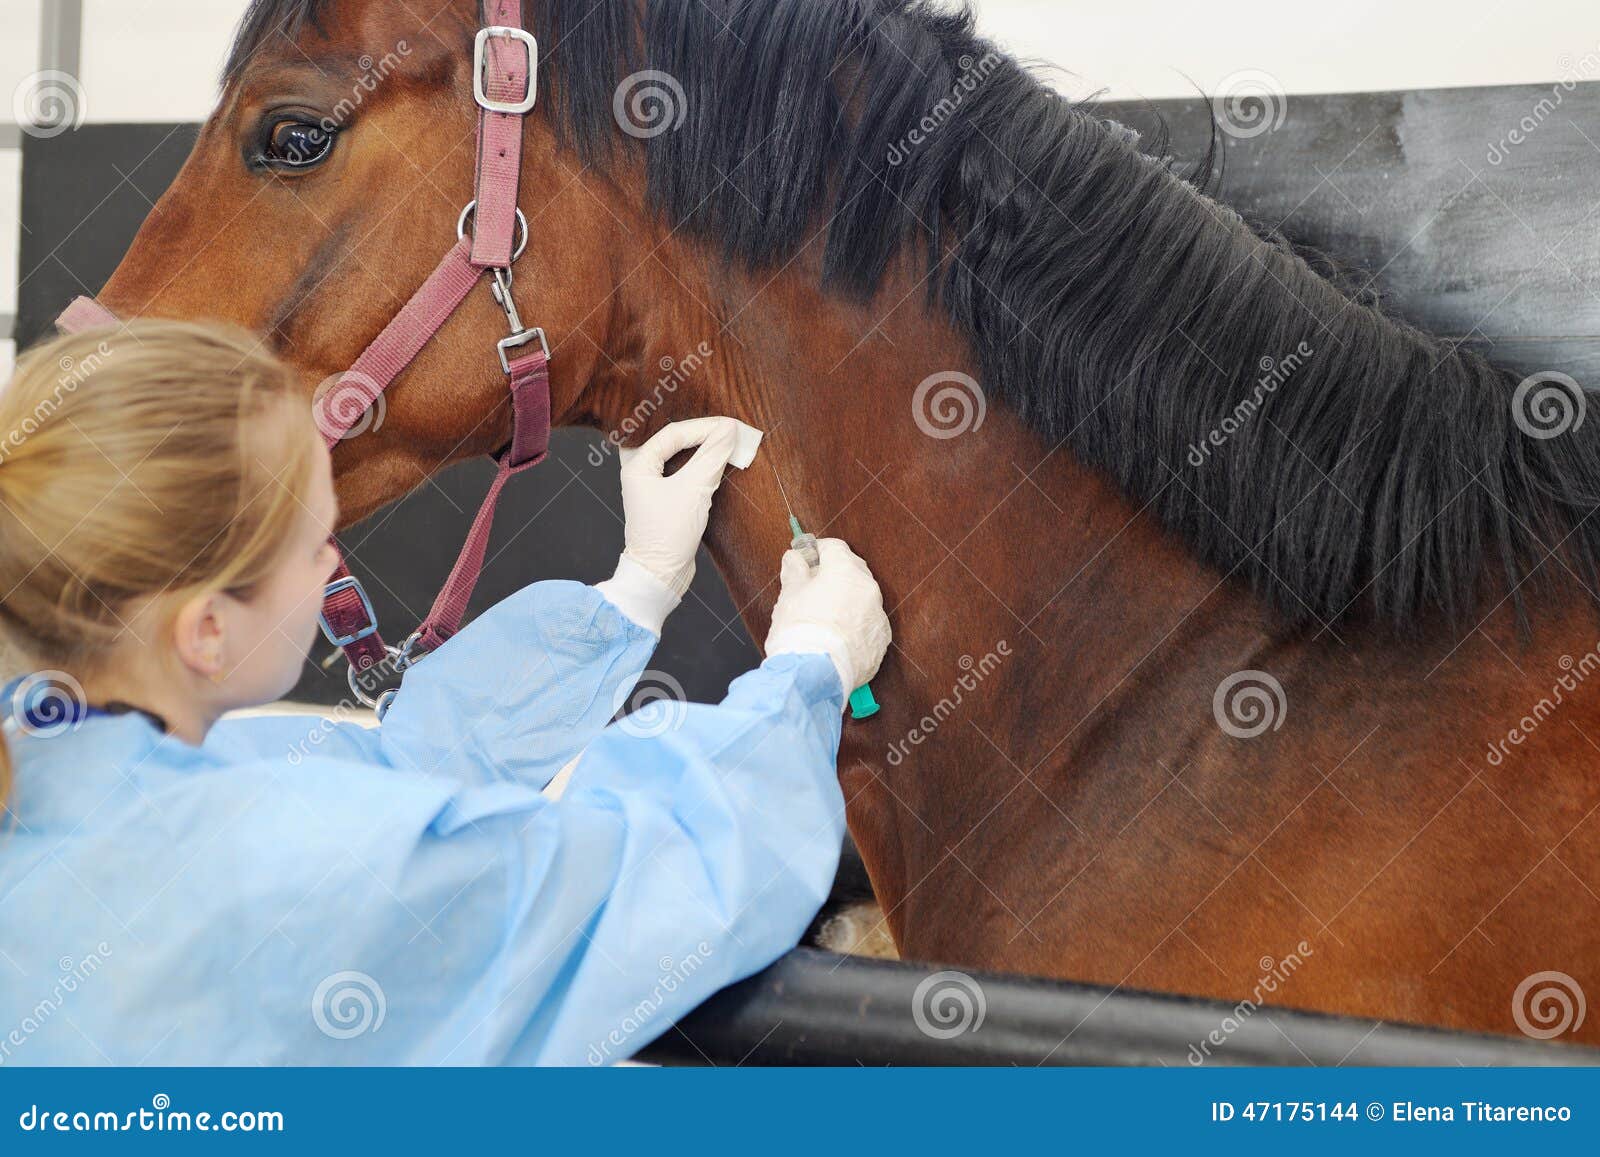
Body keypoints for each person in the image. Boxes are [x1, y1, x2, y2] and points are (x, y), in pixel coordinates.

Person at [0, 321, 891, 1066]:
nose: (329, 563)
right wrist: (807, 673)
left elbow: (401, 769)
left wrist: (638, 587)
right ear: (205, 631)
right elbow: (660, 877)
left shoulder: (56, 768)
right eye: (317, 540)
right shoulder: (283, 865)